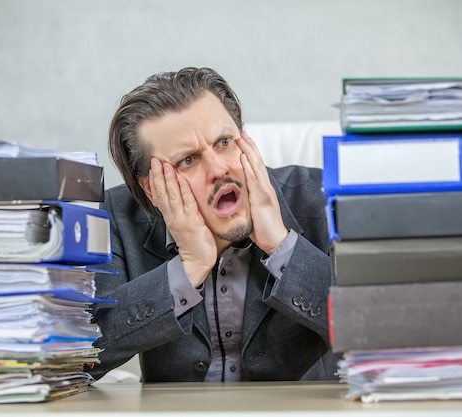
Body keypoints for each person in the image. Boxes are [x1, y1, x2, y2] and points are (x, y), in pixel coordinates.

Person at [87, 67, 339, 382]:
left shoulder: (321, 198)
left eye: (224, 142)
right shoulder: (118, 215)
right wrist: (188, 267)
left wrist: (281, 245)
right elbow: (78, 357)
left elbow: (377, 332)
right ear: (152, 188)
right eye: (188, 160)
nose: (219, 168)